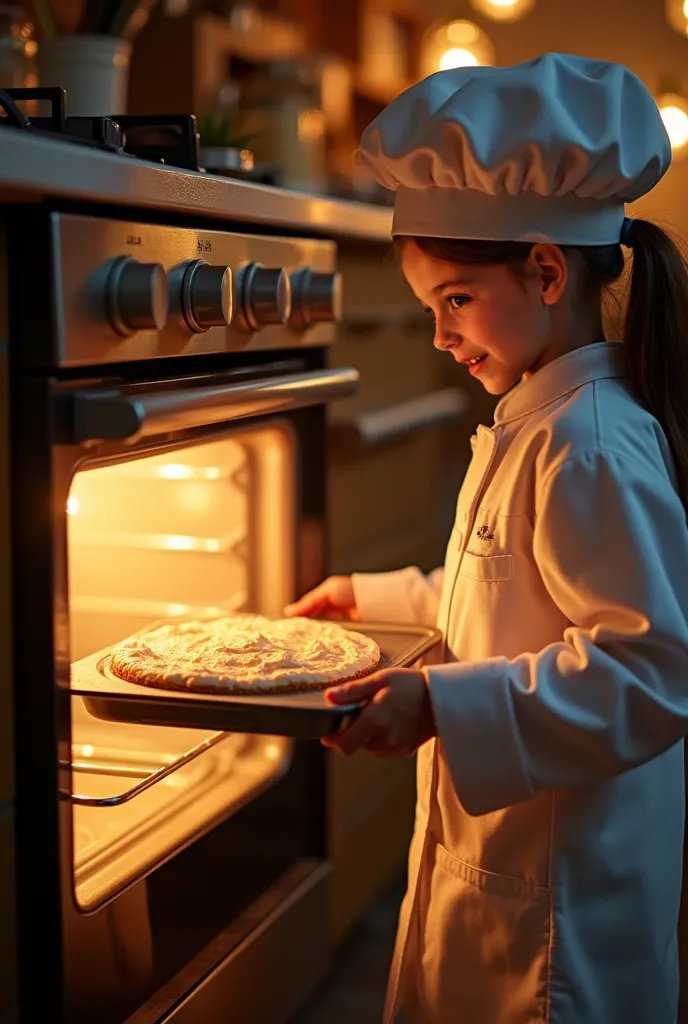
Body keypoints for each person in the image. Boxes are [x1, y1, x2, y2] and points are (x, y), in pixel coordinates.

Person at [285, 53, 688, 1024]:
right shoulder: (537, 417)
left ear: (545, 270)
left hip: (559, 932)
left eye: (452, 301)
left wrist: (440, 705)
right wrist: (372, 597)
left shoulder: (585, 445)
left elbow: (648, 669)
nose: (437, 335)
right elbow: (508, 595)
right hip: (506, 884)